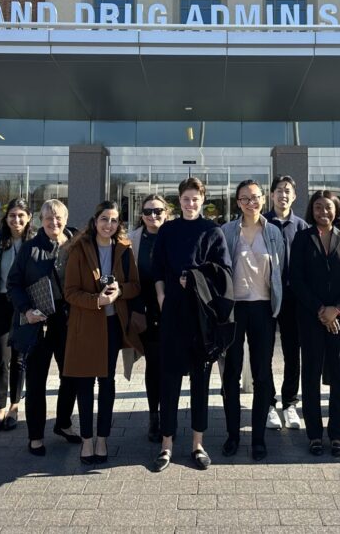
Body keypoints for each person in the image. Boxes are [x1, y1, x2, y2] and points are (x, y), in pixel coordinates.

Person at [150, 177, 230, 472]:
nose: (191, 203)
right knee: (169, 378)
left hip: (201, 315)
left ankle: (198, 443)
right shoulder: (168, 230)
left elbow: (224, 272)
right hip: (172, 311)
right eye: (186, 198)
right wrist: (161, 295)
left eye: (195, 198)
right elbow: (157, 266)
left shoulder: (212, 231)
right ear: (178, 200)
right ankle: (166, 444)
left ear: (202, 200)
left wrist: (197, 279)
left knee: (201, 380)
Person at [63, 201, 142, 465]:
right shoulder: (79, 249)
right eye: (104, 219)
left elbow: (135, 286)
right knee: (85, 383)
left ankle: (103, 438)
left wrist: (119, 292)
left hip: (112, 326)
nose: (109, 225)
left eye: (114, 220)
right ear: (95, 221)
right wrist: (97, 300)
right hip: (85, 325)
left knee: (106, 382)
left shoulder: (124, 249)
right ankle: (87, 439)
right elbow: (70, 292)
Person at [291, 190, 340, 457]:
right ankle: (314, 434)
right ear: (312, 209)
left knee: (339, 375)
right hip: (311, 318)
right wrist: (321, 310)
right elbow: (296, 278)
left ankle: (336, 433)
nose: (324, 211)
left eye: (329, 207)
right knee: (310, 375)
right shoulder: (302, 237)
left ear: (337, 210)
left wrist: (337, 309)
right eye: (319, 207)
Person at [7, 198, 80, 456]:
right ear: (41, 221)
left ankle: (63, 423)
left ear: (66, 219)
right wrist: (27, 309)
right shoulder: (30, 249)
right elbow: (13, 284)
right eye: (49, 218)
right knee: (37, 381)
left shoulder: (76, 245)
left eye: (58, 217)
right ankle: (35, 435)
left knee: (71, 376)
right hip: (38, 321)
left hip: (68, 320)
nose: (54, 222)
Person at [220, 180, 286, 461]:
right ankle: (233, 435)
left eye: (255, 197)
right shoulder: (226, 231)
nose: (251, 202)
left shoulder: (273, 232)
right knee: (231, 374)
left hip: (262, 308)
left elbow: (280, 269)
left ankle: (258, 438)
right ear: (237, 202)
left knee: (262, 374)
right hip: (234, 309)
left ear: (263, 199)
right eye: (245, 198)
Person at [0, 197, 33, 434]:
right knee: (1, 358)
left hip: (23, 303)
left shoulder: (33, 242)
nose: (16, 220)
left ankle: (14, 406)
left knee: (20, 358)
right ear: (6, 219)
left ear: (29, 217)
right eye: (12, 215)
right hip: (1, 303)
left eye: (21, 215)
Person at [264, 174, 308, 431]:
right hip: (266, 297)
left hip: (294, 299)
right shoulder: (262, 223)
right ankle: (269, 404)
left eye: (287, 191)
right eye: (279, 190)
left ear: (294, 196)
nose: (283, 195)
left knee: (293, 353)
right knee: (265, 352)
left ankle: (290, 402)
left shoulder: (301, 226)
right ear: (271, 195)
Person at [128, 193, 170, 443]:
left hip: (173, 311)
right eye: (147, 212)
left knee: (170, 364)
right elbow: (127, 277)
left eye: (158, 211)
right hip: (145, 312)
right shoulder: (132, 240)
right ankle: (154, 415)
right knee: (154, 365)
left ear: (167, 212)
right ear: (141, 215)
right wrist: (136, 309)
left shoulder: (174, 234)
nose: (152, 216)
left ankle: (168, 414)